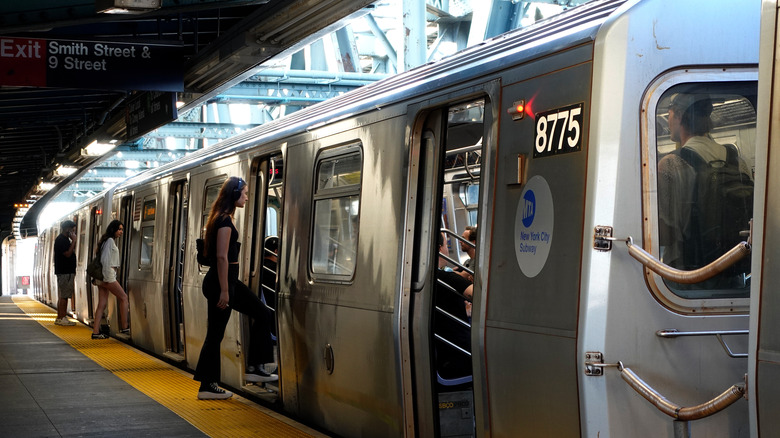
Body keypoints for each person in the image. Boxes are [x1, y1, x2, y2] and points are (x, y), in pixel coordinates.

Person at [195, 176, 278, 400]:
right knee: (217, 333)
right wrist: (225, 291)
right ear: (234, 195)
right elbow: (221, 257)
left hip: (225, 281)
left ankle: (250, 369)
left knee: (256, 314)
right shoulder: (224, 221)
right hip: (221, 282)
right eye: (245, 194)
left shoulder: (221, 218)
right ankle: (208, 385)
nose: (247, 197)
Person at [657, 92, 753, 284]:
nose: (668, 121)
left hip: (686, 275)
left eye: (669, 115)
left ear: (679, 116)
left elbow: (665, 235)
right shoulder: (737, 161)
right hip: (732, 270)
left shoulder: (670, 165)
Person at [433, 233, 473, 380]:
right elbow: (480, 295)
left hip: (443, 355)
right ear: (439, 249)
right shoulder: (447, 278)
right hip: (461, 355)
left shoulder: (427, 278)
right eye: (446, 245)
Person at [91, 219, 130, 339]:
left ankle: (96, 332)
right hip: (107, 276)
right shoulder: (110, 241)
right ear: (113, 229)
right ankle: (125, 327)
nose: (121, 232)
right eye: (119, 229)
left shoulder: (106, 241)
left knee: (101, 304)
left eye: (122, 229)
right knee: (124, 297)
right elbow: (105, 260)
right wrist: (107, 278)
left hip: (103, 276)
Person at [53, 219, 78, 326]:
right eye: (72, 230)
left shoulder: (62, 239)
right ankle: (62, 317)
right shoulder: (61, 240)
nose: (73, 233)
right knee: (64, 296)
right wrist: (74, 241)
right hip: (65, 271)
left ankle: (60, 317)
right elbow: (68, 254)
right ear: (67, 229)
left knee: (62, 295)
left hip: (64, 271)